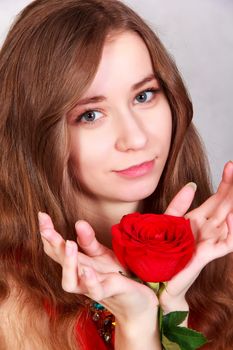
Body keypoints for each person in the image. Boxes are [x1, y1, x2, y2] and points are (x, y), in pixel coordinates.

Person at [0, 0, 232, 349]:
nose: (136, 138)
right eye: (90, 115)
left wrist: (171, 310)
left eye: (144, 95)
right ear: (35, 134)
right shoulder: (9, 303)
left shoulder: (220, 258)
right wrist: (137, 327)